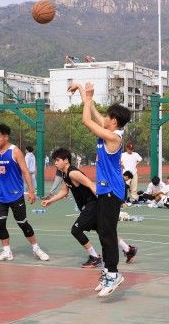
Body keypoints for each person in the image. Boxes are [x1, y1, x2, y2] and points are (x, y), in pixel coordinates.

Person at [68, 82, 131, 297]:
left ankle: (114, 274)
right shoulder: (108, 129)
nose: (104, 119)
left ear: (114, 121)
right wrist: (83, 92)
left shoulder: (113, 137)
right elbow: (93, 112)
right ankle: (107, 271)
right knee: (103, 230)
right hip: (104, 191)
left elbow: (87, 120)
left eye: (108, 117)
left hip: (113, 191)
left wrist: (87, 99)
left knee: (108, 232)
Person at [42, 148, 137, 268]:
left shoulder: (73, 173)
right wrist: (50, 201)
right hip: (89, 206)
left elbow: (91, 184)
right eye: (54, 160)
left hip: (92, 205)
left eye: (57, 160)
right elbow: (64, 191)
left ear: (66, 160)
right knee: (103, 230)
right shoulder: (65, 174)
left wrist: (107, 202)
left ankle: (94, 257)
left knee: (76, 230)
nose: (55, 163)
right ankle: (128, 250)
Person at [0, 124, 49, 262]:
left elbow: (25, 172)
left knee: (22, 223)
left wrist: (31, 191)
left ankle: (36, 248)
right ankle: (7, 252)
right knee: (0, 224)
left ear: (6, 137)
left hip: (15, 194)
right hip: (0, 195)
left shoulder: (15, 151)